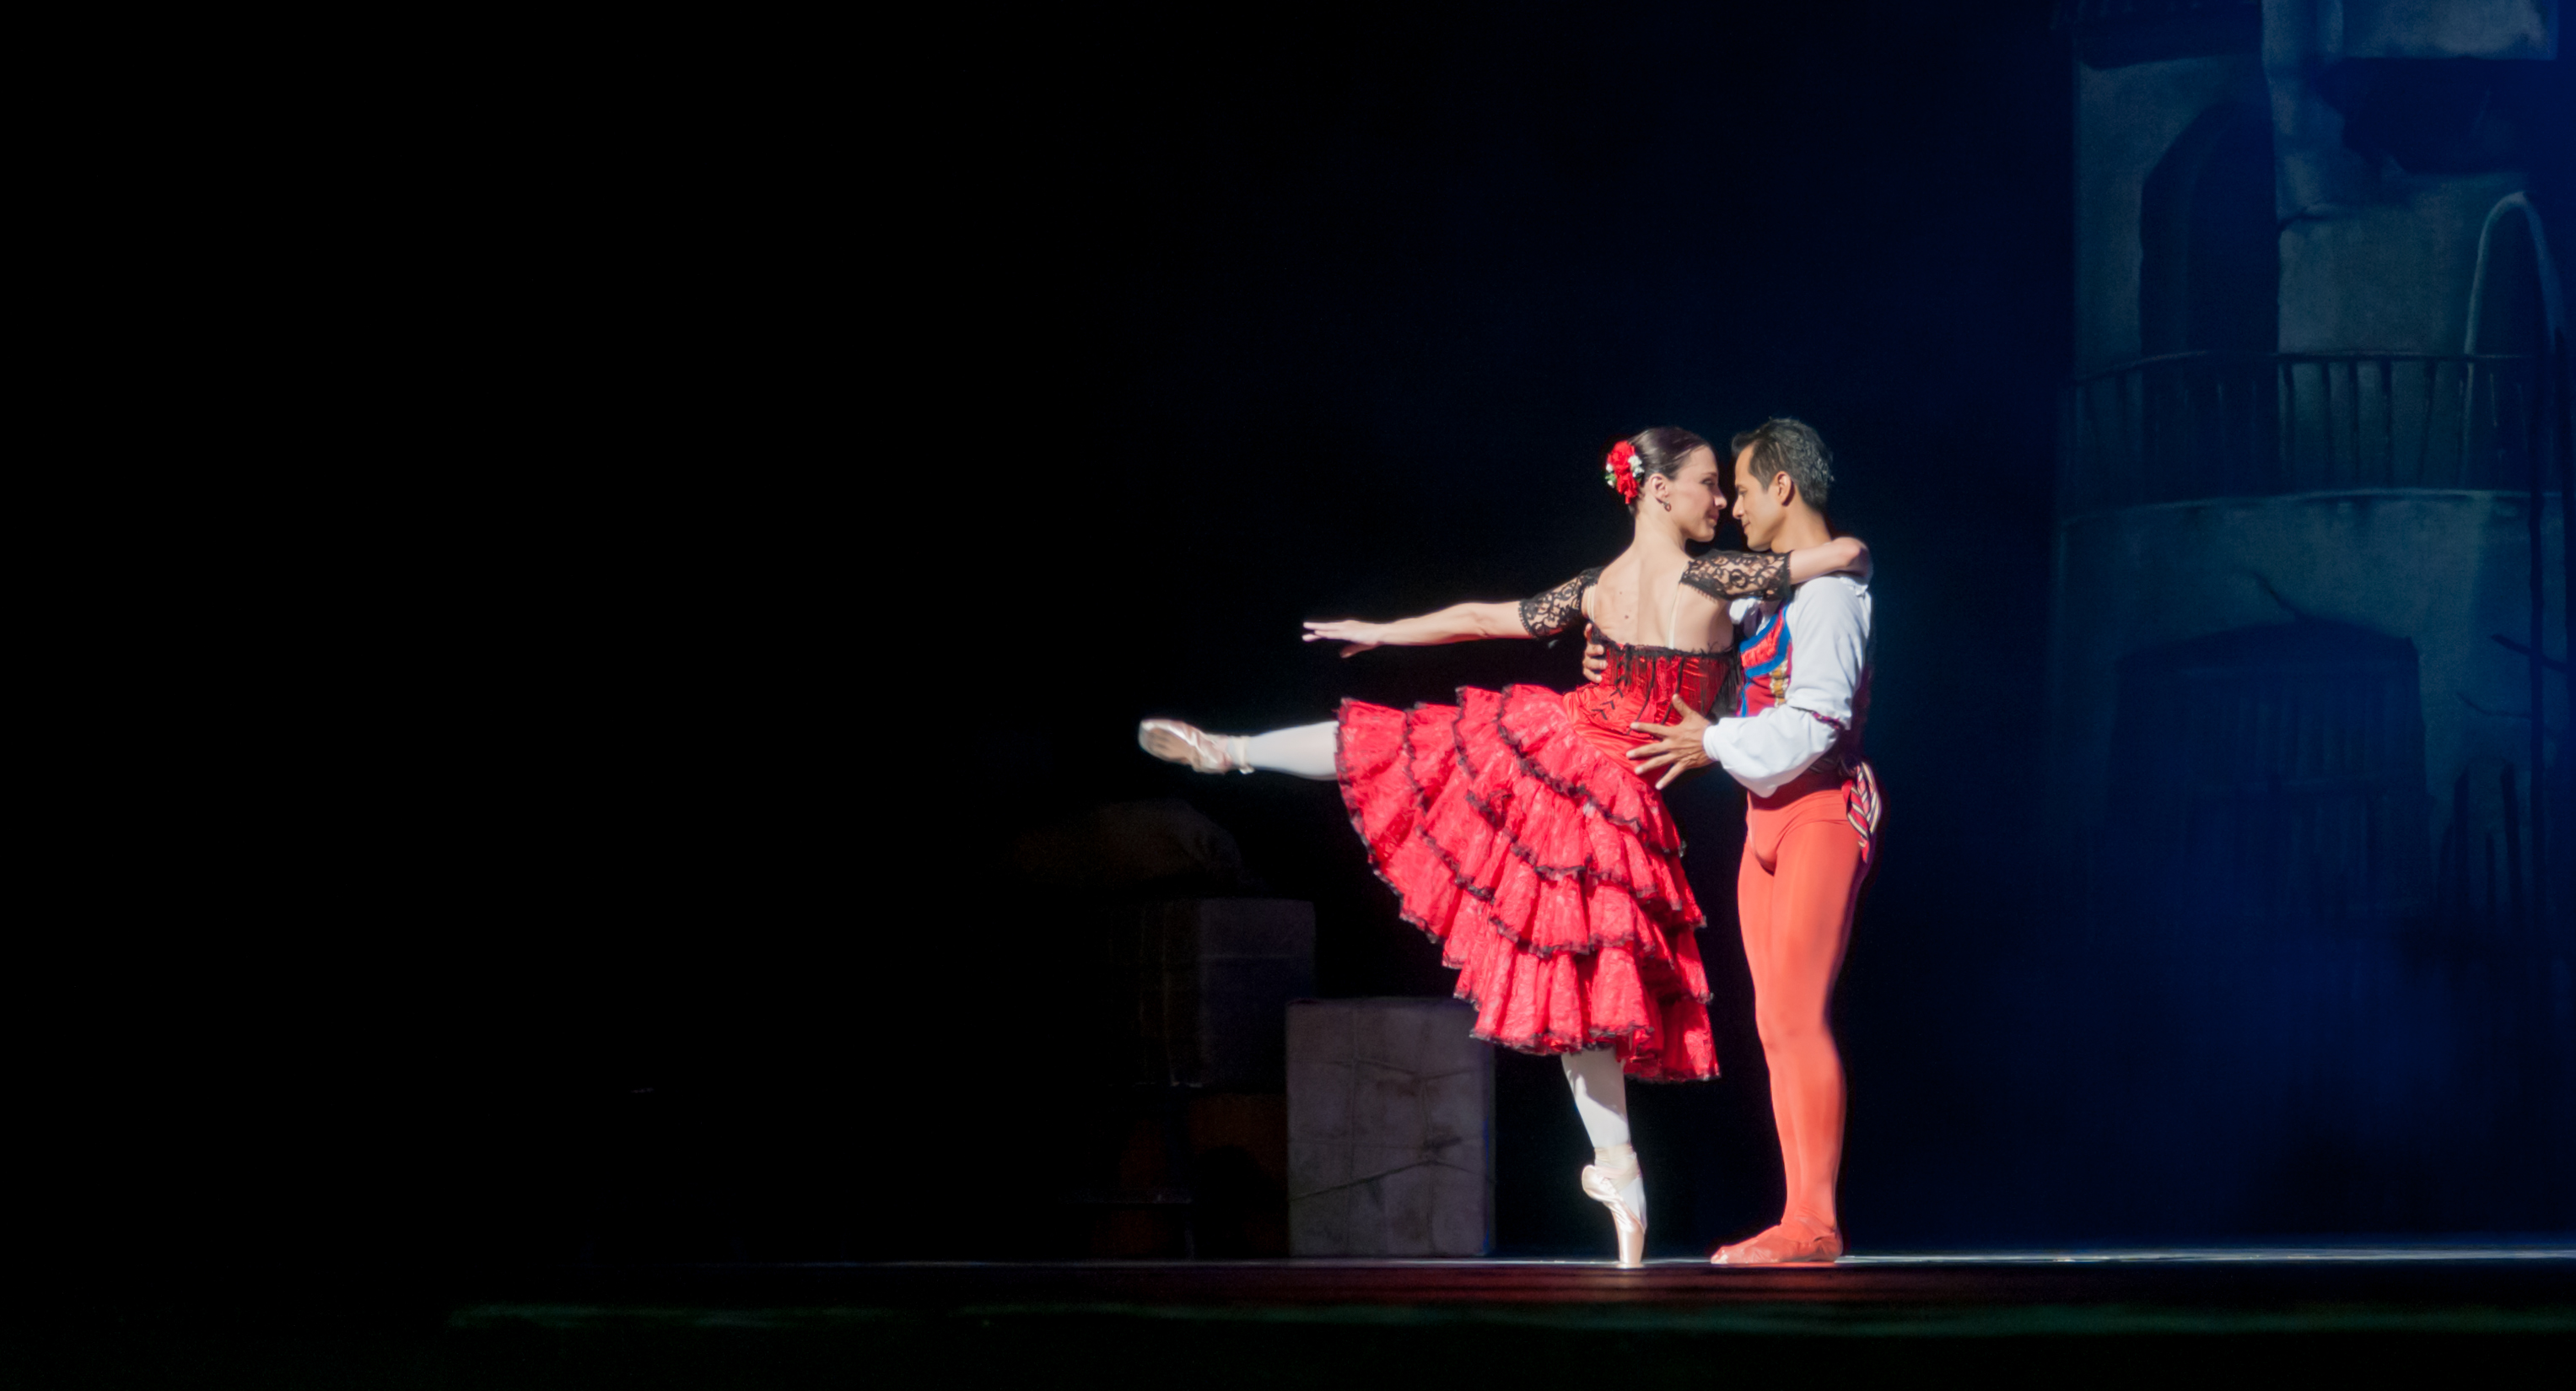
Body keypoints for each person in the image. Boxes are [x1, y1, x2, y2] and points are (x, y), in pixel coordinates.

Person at [1137, 427, 1868, 1266]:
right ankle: (1619, 1172)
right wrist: (1852, 547)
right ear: (1658, 490)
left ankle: (1234, 749)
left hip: (1558, 741)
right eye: (1707, 484)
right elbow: (1817, 562)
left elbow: (1486, 617)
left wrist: (1383, 630)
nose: (1720, 503)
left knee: (1418, 756)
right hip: (1610, 788)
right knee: (1584, 979)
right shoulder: (1712, 575)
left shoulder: (1600, 587)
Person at [1621, 418, 1879, 1266]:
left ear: (1782, 487)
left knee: (1797, 1015)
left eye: (1738, 486)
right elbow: (1689, 615)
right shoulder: (1769, 594)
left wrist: (1715, 742)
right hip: (1764, 818)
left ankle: (1814, 1219)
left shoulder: (1833, 596)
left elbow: (1814, 722)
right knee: (1773, 1020)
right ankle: (1800, 1212)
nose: (1728, 506)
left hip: (1818, 810)